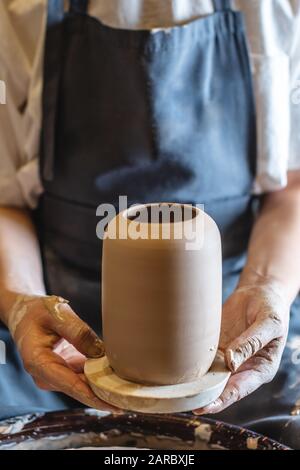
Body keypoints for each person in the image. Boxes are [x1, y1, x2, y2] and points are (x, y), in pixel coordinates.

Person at [0, 0, 300, 448]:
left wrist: (268, 287)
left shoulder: (276, 8)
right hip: (61, 320)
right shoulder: (18, 10)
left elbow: (291, 188)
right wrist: (20, 302)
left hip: (234, 317)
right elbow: (5, 200)